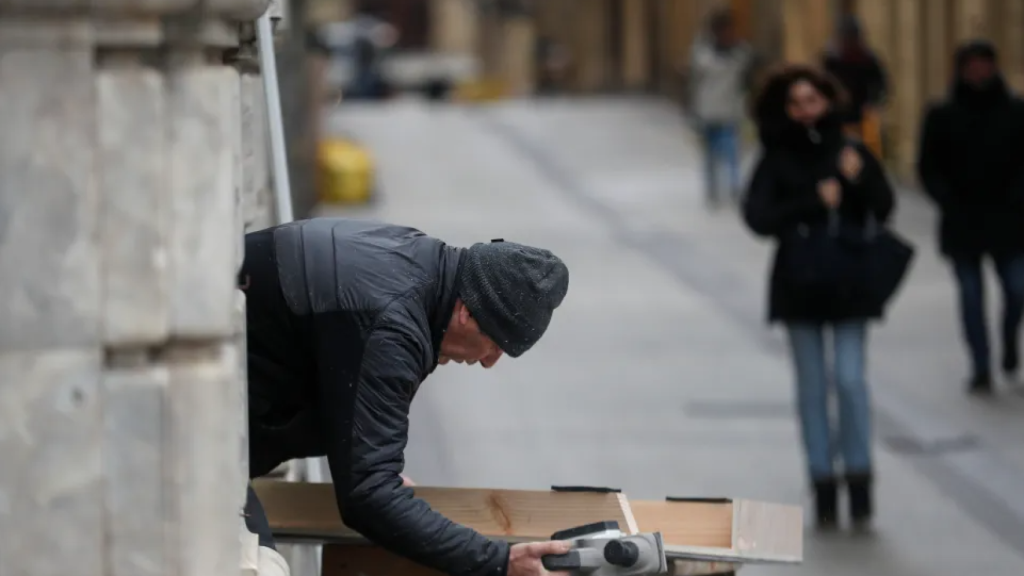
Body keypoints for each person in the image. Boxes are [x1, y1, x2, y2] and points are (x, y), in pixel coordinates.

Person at [239, 217, 572, 576]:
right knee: (262, 569)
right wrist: (499, 562)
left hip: (226, 405)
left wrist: (366, 467)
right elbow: (368, 498)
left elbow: (357, 418)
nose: (489, 362)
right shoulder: (391, 327)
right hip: (189, 423)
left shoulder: (415, 259)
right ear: (466, 313)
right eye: (496, 344)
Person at [741, 65, 895, 530]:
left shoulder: (850, 148)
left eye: (813, 100)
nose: (806, 110)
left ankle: (860, 476)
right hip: (800, 284)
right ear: (783, 109)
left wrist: (858, 179)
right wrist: (812, 200)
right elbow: (757, 217)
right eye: (796, 103)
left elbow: (884, 207)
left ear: (828, 101)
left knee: (849, 380)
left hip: (849, 282)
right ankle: (823, 480)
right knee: (811, 387)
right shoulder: (776, 155)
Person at [917, 40, 1024, 394]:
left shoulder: (1015, 111)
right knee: (971, 296)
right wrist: (945, 197)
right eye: (972, 65)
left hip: (1009, 220)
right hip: (962, 220)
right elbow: (927, 166)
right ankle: (980, 364)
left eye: (985, 64)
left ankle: (1009, 339)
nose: (979, 71)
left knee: (1017, 288)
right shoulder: (942, 114)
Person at [687, 8, 756, 207]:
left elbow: (747, 79)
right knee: (710, 155)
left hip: (729, 112)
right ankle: (713, 190)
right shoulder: (703, 53)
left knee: (731, 152)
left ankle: (734, 188)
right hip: (708, 112)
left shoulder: (740, 52)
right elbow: (694, 82)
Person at [822, 15, 888, 157]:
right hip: (838, 117)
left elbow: (881, 86)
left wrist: (873, 103)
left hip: (862, 117)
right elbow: (823, 84)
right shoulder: (832, 60)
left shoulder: (867, 59)